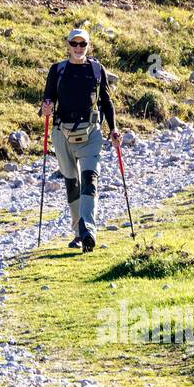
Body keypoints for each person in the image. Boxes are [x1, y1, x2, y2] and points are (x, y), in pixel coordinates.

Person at [39, 28, 121, 252]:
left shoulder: (96, 69)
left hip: (91, 133)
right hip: (61, 133)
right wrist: (46, 106)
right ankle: (78, 232)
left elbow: (106, 101)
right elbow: (48, 98)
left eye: (82, 44)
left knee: (90, 179)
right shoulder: (57, 70)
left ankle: (88, 230)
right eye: (74, 44)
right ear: (68, 45)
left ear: (88, 46)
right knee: (71, 183)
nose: (78, 48)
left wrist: (113, 129)